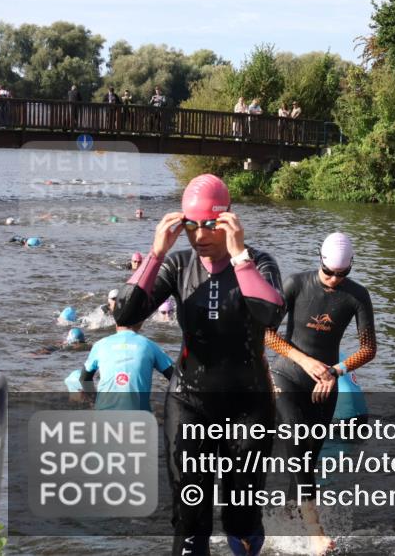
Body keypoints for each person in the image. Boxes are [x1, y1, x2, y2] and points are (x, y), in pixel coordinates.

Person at [113, 173, 284, 556]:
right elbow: (125, 314)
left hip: (247, 407)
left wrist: (240, 257)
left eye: (210, 225)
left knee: (242, 515)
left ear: (228, 220)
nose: (200, 236)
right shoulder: (177, 266)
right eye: (192, 225)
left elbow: (269, 316)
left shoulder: (259, 263)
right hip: (189, 402)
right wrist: (155, 254)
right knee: (190, 518)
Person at [265, 232, 377, 555]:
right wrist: (304, 360)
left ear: (351, 267)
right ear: (320, 261)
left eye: (343, 275)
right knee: (298, 443)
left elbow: (369, 348)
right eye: (329, 273)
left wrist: (336, 370)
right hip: (286, 375)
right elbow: (267, 334)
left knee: (307, 460)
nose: (334, 281)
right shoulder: (296, 285)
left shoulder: (357, 296)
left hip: (324, 385)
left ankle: (286, 521)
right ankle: (315, 532)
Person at [79, 318, 174, 411]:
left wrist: (94, 399)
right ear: (140, 323)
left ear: (116, 323)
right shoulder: (149, 345)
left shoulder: (100, 345)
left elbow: (84, 378)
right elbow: (175, 377)